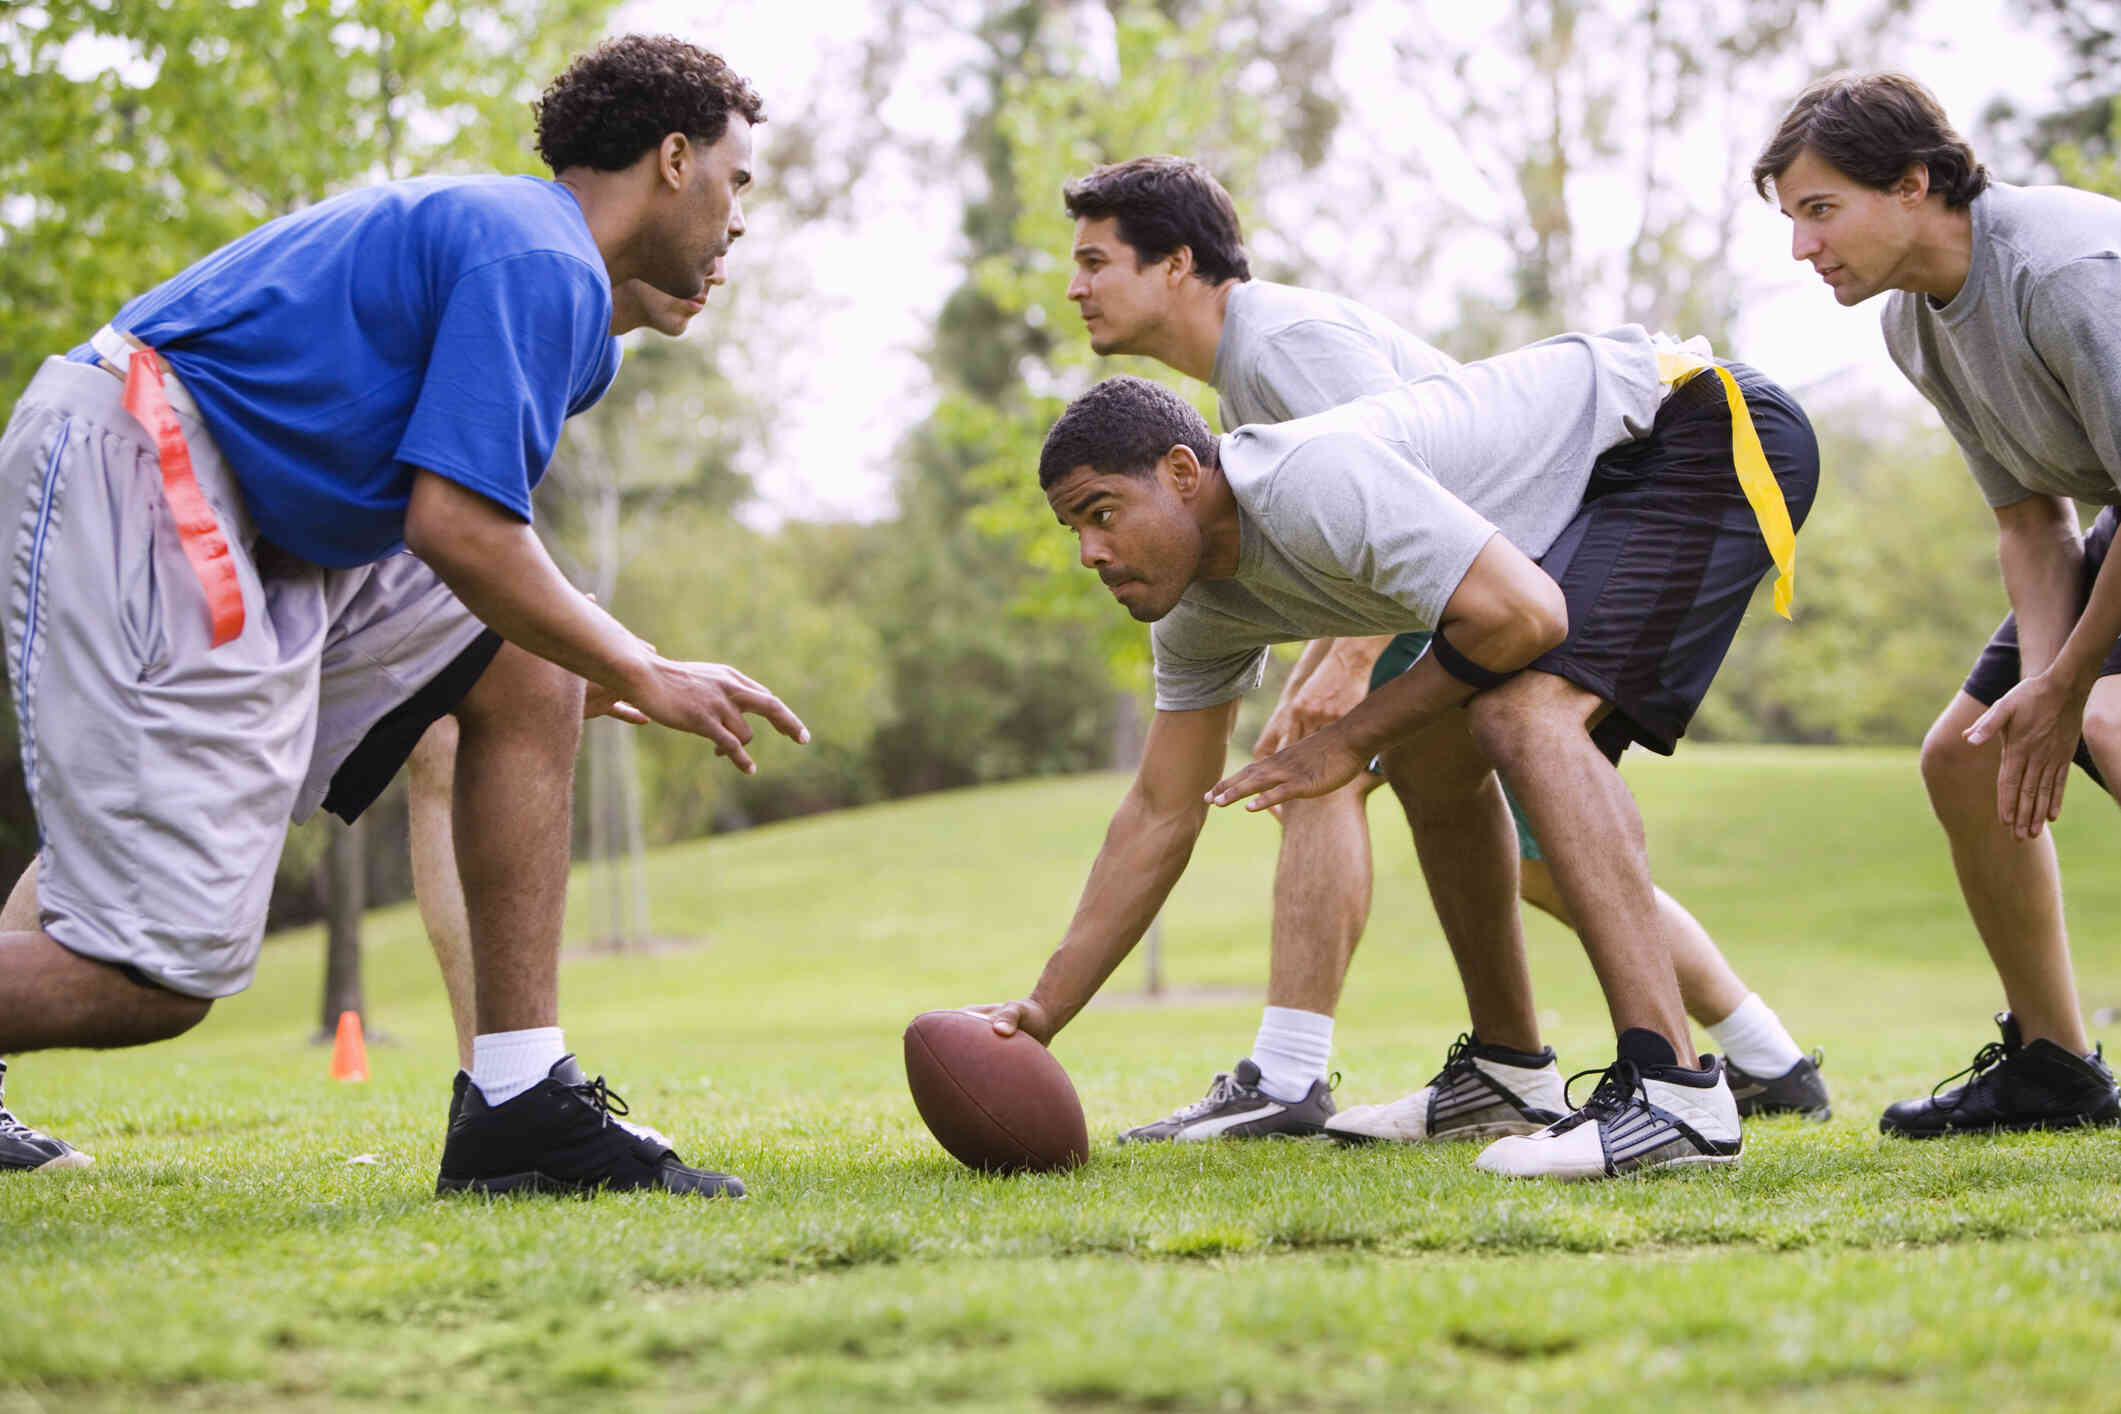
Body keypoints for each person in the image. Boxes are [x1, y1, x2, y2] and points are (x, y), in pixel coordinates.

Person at [0, 35, 808, 1197]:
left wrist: (592, 656)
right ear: (672, 160)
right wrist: (640, 663)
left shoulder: (556, 290)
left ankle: (520, 1105)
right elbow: (460, 531)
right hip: (150, 458)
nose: (739, 221)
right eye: (736, 182)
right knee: (150, 980)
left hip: (252, 509)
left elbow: (491, 565)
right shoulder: (540, 255)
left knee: (525, 659)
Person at [1057, 156, 1827, 1146]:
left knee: (1456, 740)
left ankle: (1308, 1073)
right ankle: (1569, 1067)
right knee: (1459, 784)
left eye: (1094, 261)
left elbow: (1402, 491)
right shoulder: (1239, 381)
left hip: (1656, 452)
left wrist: (1341, 673)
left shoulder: (1284, 343)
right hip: (1535, 544)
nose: (1075, 287)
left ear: (1176, 264)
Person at [1753, 71, 2121, 1136]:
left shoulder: (2058, 272)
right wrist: (2040, 695)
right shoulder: (1915, 325)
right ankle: (2057, 1068)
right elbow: (2031, 520)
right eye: (1792, 220)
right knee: (1969, 753)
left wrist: (2068, 693)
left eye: (1821, 211)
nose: (1802, 247)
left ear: (1914, 184)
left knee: (2104, 717)